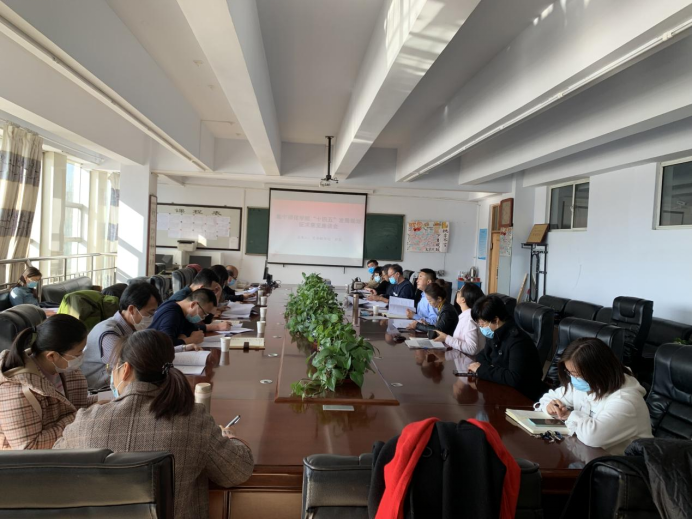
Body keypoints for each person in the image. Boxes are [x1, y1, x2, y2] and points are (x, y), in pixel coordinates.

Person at [54, 330, 254, 518]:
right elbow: (237, 472)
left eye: (112, 368)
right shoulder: (193, 419)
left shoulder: (86, 423)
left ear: (125, 370)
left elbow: (55, 472)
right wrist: (231, 437)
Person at [538, 338, 653, 455]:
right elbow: (549, 397)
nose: (573, 379)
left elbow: (592, 437)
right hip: (588, 455)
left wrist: (570, 415)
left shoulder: (626, 400)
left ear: (598, 372)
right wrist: (550, 406)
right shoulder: (587, 385)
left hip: (621, 463)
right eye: (569, 372)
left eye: (576, 374)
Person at [0, 315, 94, 450]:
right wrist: (82, 416)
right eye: (78, 354)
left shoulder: (63, 369)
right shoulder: (16, 391)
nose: (81, 357)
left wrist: (99, 404)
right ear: (52, 356)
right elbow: (29, 448)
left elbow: (69, 406)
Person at [83, 282, 162, 391]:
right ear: (132, 309)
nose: (152, 318)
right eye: (150, 313)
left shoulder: (132, 327)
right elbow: (130, 369)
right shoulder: (109, 334)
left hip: (117, 385)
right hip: (98, 390)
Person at [468, 295, 546, 400]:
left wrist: (482, 370)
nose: (481, 328)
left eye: (483, 324)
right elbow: (481, 356)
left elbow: (514, 378)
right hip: (501, 390)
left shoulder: (518, 341)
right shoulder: (495, 334)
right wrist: (488, 369)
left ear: (496, 320)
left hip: (523, 397)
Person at [150, 288, 216, 349]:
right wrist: (191, 340)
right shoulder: (172, 314)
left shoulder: (182, 311)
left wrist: (183, 336)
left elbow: (190, 328)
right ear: (193, 304)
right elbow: (165, 344)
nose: (203, 318)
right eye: (204, 313)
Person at [434, 283, 485, 357]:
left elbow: (472, 349)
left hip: (470, 361)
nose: (457, 292)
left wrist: (446, 338)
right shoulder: (466, 315)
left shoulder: (469, 319)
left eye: (459, 291)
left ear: (463, 299)